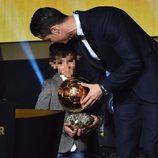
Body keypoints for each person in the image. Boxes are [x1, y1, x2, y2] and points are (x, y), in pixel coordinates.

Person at [30, 6, 158, 158]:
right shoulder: (74, 42)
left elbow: (134, 62)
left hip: (151, 85)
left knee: (152, 148)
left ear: (56, 29)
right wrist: (90, 118)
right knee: (124, 149)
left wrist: (103, 88)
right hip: (123, 92)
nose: (51, 43)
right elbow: (93, 78)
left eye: (48, 39)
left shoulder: (106, 19)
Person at [35, 41, 104, 158]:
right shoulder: (50, 85)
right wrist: (63, 128)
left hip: (80, 146)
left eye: (70, 61)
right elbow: (40, 117)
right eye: (61, 62)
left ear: (76, 60)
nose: (67, 66)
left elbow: (99, 115)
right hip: (58, 147)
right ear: (53, 64)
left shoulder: (86, 85)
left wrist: (94, 121)